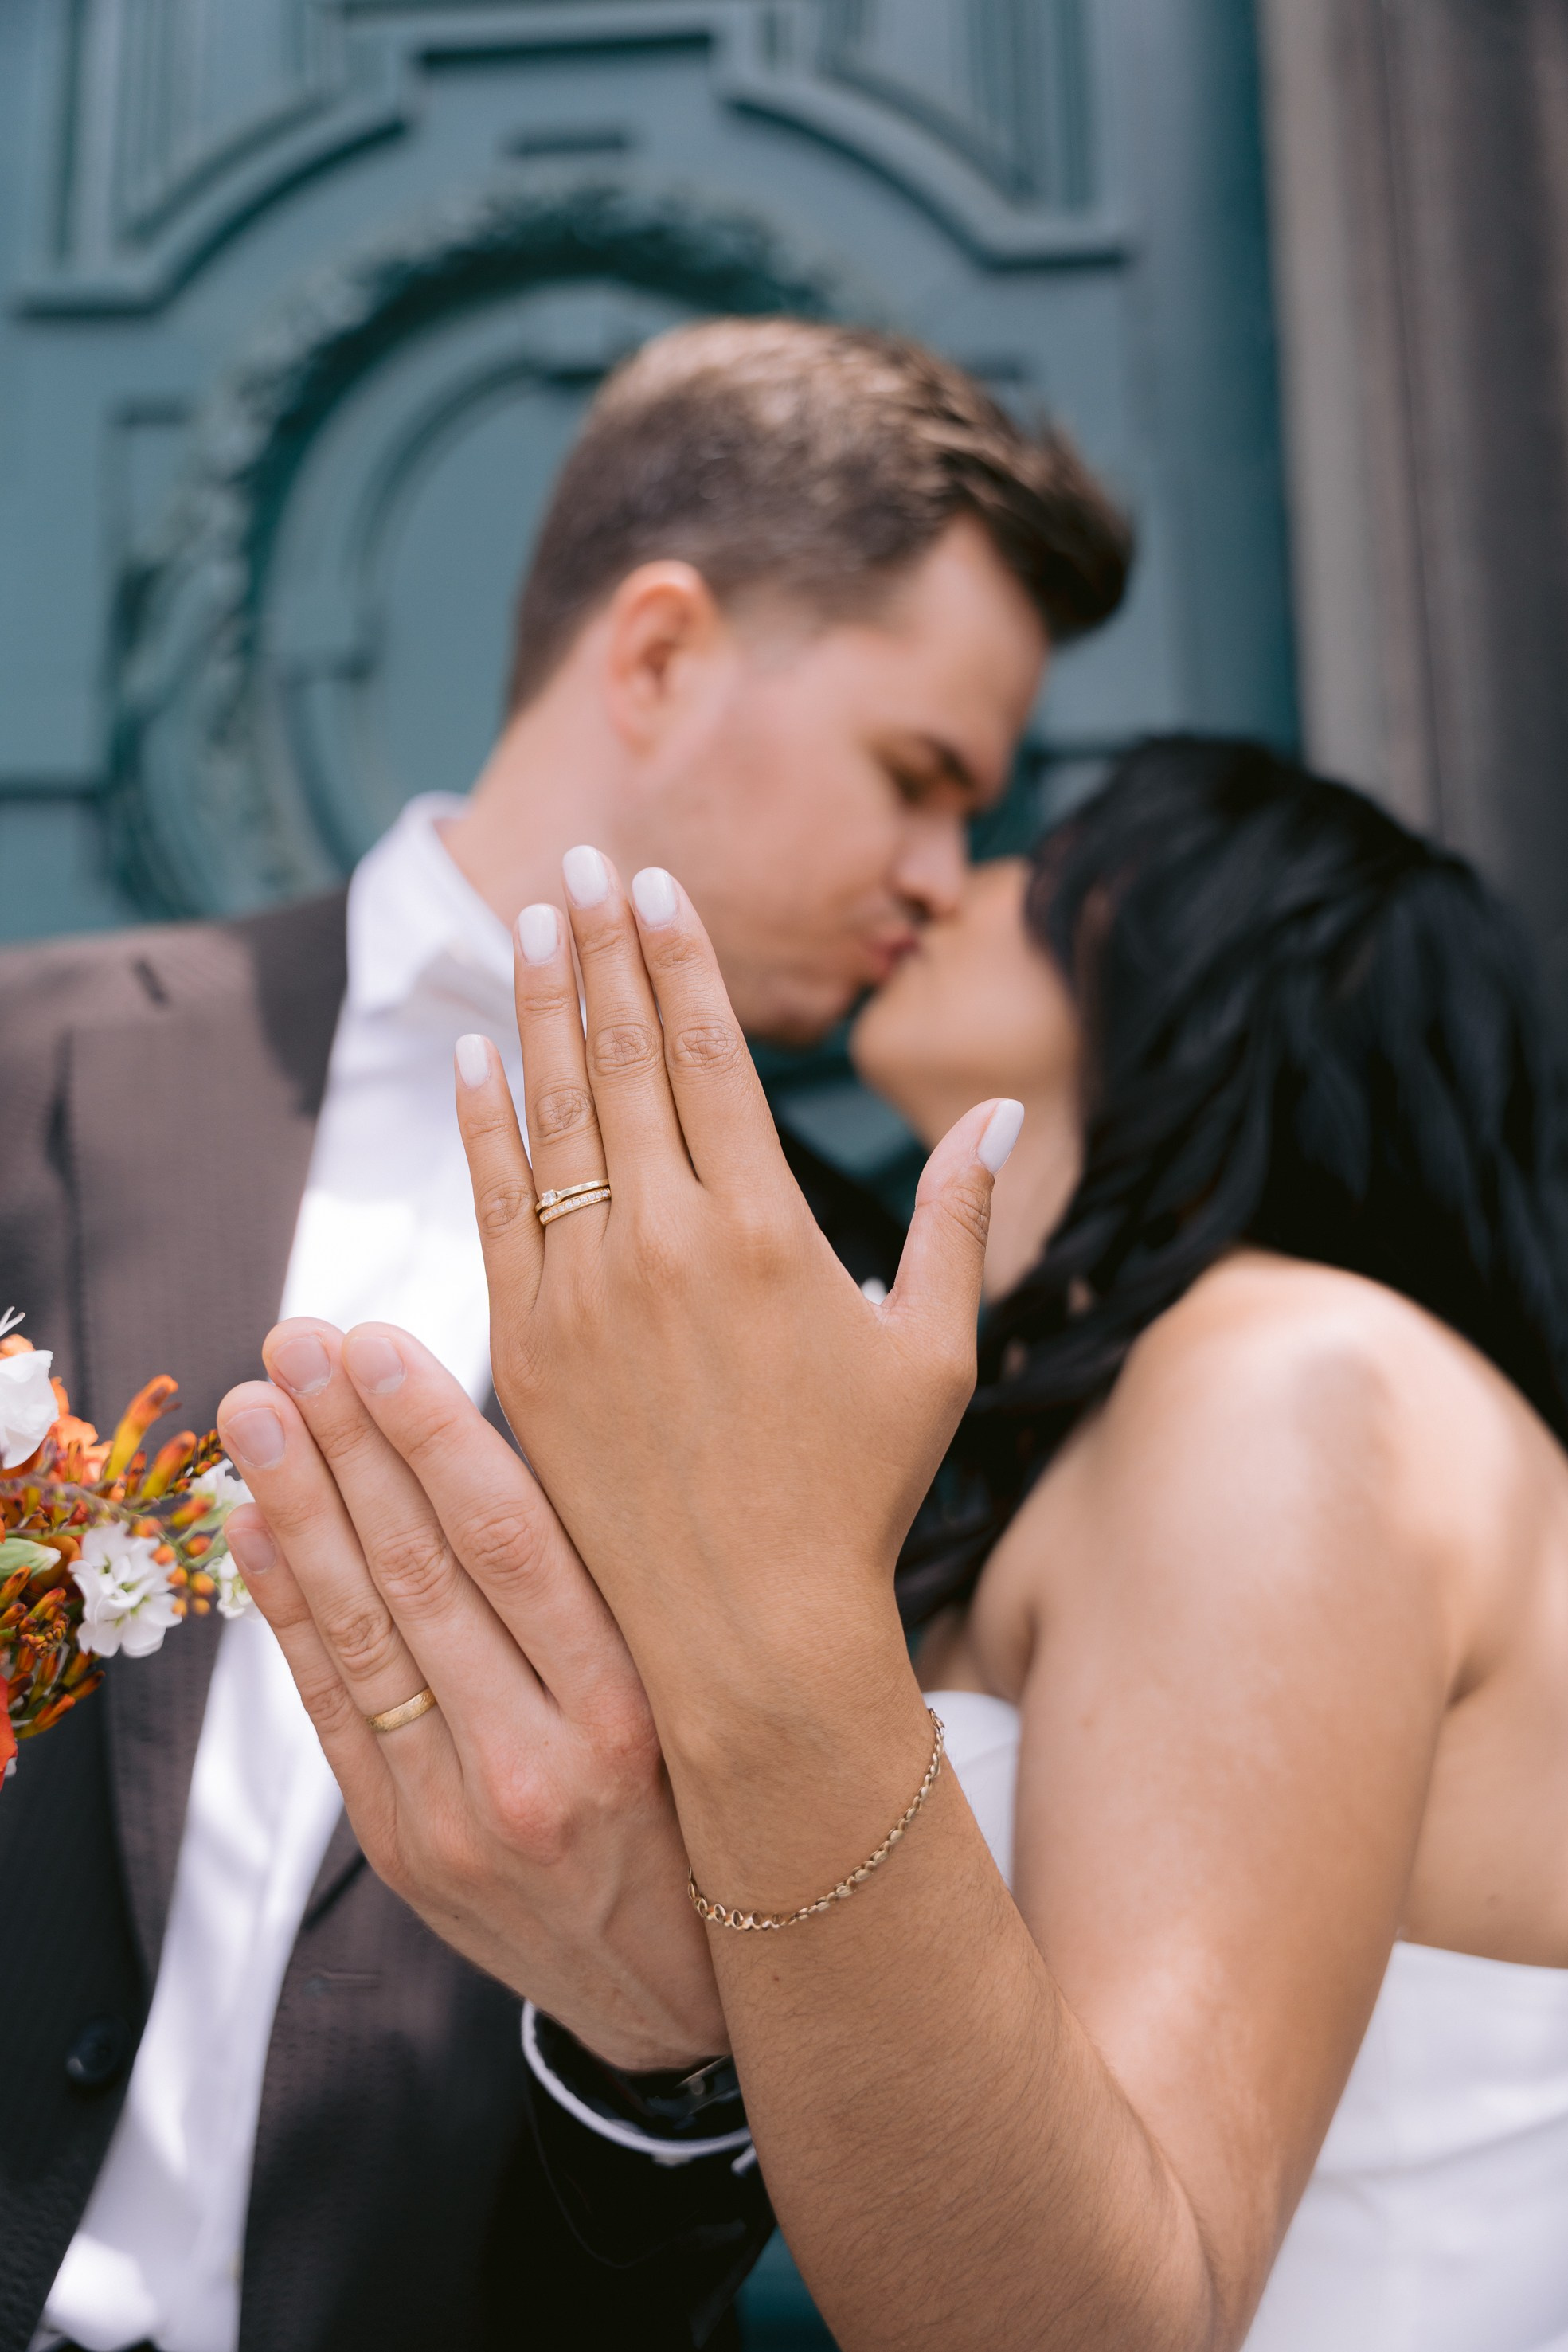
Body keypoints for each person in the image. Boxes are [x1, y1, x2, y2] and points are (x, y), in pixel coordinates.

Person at [0, 318, 1130, 2352]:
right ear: (662, 652)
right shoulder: (33, 1057)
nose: (937, 880)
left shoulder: (878, 1345)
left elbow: (736, 2110)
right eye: (917, 776)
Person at [225, 735, 1568, 2352]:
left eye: (1021, 842)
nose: (945, 880)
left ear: (1177, 926)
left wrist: (759, 1603)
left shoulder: (1287, 1387)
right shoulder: (1102, 1430)